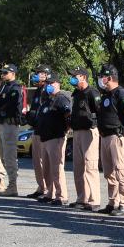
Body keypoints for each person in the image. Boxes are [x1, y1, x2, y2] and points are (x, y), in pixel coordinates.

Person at [95, 65, 124, 216]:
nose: (100, 80)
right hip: (105, 136)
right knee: (109, 172)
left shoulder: (121, 93)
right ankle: (113, 202)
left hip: (117, 136)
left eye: (102, 77)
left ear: (109, 78)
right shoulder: (106, 95)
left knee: (120, 171)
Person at [0, 64, 25, 196]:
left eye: (5, 73)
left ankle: (13, 186)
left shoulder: (15, 87)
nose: (3, 75)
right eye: (2, 73)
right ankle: (9, 184)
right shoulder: (4, 87)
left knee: (9, 156)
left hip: (10, 124)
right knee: (3, 156)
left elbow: (11, 105)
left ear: (13, 73)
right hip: (2, 124)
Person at [34, 73, 72, 205]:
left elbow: (68, 114)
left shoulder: (61, 98)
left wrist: (65, 130)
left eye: (51, 83)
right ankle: (50, 193)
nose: (48, 86)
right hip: (45, 138)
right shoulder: (48, 100)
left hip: (56, 137)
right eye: (47, 84)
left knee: (56, 168)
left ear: (58, 84)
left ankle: (61, 196)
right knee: (47, 169)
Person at [68, 67, 102, 211]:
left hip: (89, 131)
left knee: (90, 166)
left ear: (83, 77)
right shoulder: (76, 93)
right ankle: (82, 198)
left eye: (75, 76)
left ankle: (94, 200)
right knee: (78, 167)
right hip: (77, 132)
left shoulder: (92, 92)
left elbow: (100, 112)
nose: (72, 78)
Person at [26, 65, 51, 199]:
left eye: (38, 73)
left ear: (46, 75)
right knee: (36, 161)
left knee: (44, 161)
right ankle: (41, 187)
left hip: (44, 130)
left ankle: (47, 189)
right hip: (35, 128)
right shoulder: (38, 90)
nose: (36, 75)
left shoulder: (48, 89)